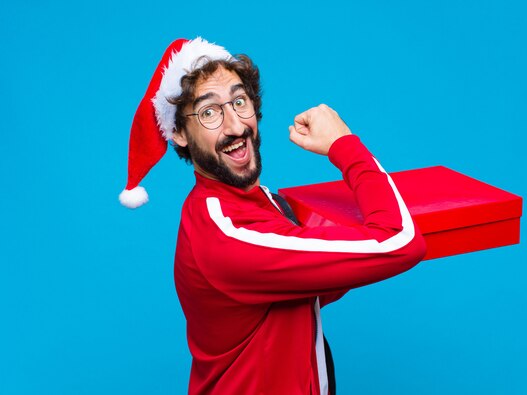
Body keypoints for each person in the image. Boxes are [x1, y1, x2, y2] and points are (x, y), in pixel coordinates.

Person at [120, 37, 426, 395]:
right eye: (209, 112)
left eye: (238, 101)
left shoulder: (265, 202)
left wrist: (352, 257)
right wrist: (344, 144)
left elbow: (307, 290)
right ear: (179, 134)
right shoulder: (226, 233)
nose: (235, 126)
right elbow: (401, 241)